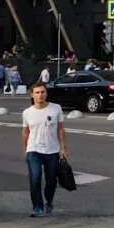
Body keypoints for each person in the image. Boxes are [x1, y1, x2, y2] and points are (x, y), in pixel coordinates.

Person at [21, 82, 68, 217]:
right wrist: (26, 149)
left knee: (51, 180)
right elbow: (25, 132)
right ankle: (37, 207)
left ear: (46, 93)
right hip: (33, 150)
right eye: (37, 92)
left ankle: (49, 200)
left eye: (42, 92)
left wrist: (62, 148)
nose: (40, 95)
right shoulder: (27, 113)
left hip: (52, 149)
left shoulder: (55, 108)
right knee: (35, 178)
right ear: (32, 95)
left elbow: (60, 129)